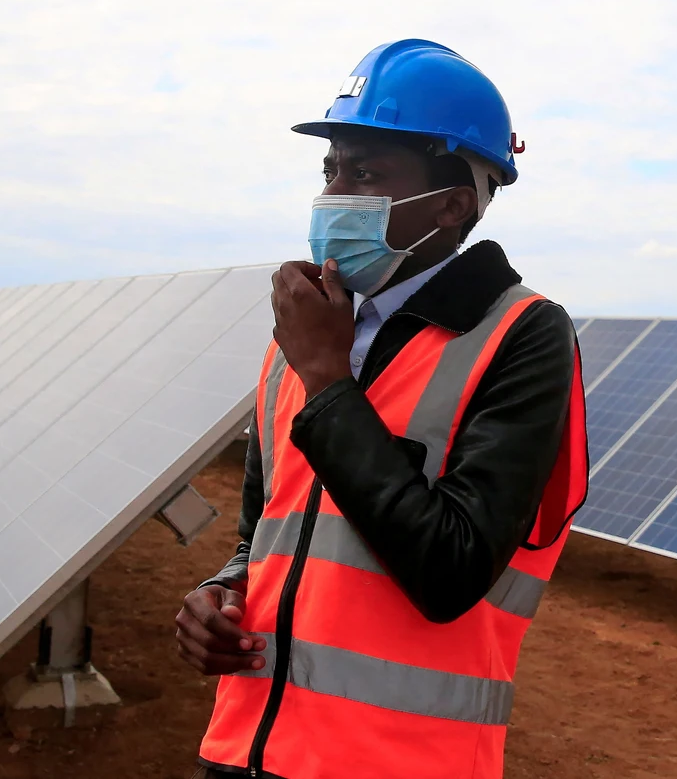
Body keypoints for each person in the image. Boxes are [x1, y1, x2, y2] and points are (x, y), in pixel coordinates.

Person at [175, 39, 587, 779]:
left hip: (397, 763)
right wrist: (222, 591)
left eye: (365, 173)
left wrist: (329, 379)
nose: (334, 194)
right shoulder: (306, 333)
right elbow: (265, 530)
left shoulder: (518, 336)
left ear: (453, 204)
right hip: (242, 753)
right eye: (330, 170)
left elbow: (451, 569)